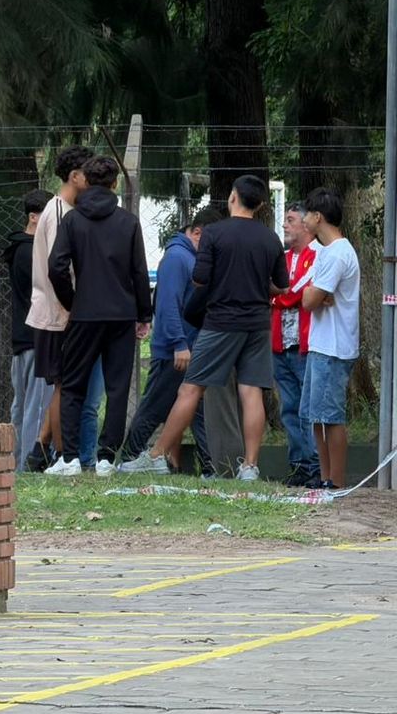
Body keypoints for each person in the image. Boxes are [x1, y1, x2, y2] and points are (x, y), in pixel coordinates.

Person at [120, 175, 288, 481]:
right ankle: (250, 466)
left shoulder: (215, 233)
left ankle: (157, 456)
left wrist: (226, 280)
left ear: (233, 197)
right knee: (251, 391)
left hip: (221, 322)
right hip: (257, 324)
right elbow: (280, 285)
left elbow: (199, 279)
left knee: (190, 388)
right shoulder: (270, 238)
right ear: (262, 204)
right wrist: (252, 285)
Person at [46, 156, 152, 477]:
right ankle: (106, 457)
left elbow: (56, 267)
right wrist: (143, 313)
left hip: (85, 313)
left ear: (86, 181)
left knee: (73, 385)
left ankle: (71, 458)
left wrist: (72, 301)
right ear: (115, 183)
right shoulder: (128, 222)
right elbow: (139, 271)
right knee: (117, 387)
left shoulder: (72, 220)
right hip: (121, 314)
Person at [118, 209, 219, 475]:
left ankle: (210, 467)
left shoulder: (186, 256)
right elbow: (167, 305)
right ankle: (130, 457)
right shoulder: (177, 258)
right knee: (155, 405)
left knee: (194, 408)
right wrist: (179, 343)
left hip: (186, 346)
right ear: (197, 233)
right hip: (175, 349)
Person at [25, 145, 104, 470]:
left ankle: (43, 450)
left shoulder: (65, 211)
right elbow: (60, 270)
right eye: (89, 175)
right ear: (75, 176)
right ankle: (62, 457)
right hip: (59, 315)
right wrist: (75, 307)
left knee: (66, 386)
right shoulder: (60, 214)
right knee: (65, 388)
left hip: (61, 313)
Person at [301, 188, 360, 490]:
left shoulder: (338, 253)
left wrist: (315, 293)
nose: (303, 220)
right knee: (316, 416)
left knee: (331, 416)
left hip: (334, 348)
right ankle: (325, 478)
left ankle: (336, 481)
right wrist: (314, 293)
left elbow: (309, 300)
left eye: (307, 214)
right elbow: (311, 296)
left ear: (318, 216)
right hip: (321, 344)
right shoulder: (326, 252)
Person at [3, 189, 54, 471]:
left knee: (22, 406)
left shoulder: (19, 249)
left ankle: (17, 463)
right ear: (34, 218)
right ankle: (28, 464)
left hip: (23, 337)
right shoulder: (32, 252)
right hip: (36, 337)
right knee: (36, 407)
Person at [270, 203, 321, 487]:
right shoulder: (283, 258)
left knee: (307, 408)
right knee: (289, 408)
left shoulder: (319, 255)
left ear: (306, 224)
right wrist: (279, 295)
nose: (285, 225)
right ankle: (299, 465)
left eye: (290, 220)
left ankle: (315, 466)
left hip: (306, 345)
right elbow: (273, 290)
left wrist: (277, 296)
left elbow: (295, 293)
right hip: (280, 345)